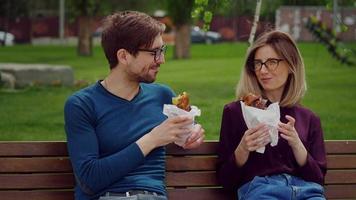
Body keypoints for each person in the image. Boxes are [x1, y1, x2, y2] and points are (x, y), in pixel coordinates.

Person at [64, 11, 205, 200]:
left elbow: (182, 134)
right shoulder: (82, 105)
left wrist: (191, 134)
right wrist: (152, 139)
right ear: (123, 56)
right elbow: (90, 180)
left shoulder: (162, 95)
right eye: (154, 52)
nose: (161, 59)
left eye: (162, 50)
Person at [217, 30, 327, 200]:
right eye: (258, 63)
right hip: (262, 192)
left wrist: (297, 145)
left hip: (306, 191)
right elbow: (226, 180)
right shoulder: (237, 112)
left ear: (291, 65)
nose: (262, 70)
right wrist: (243, 149)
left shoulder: (308, 118)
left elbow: (318, 179)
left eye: (271, 62)